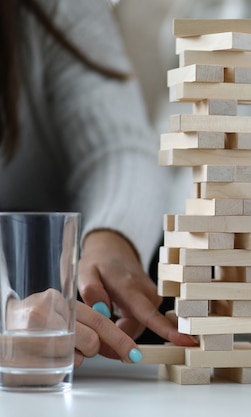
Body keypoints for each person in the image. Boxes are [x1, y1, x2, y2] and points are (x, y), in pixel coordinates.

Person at [0, 0, 196, 366]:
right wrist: (7, 310)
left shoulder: (59, 9)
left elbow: (122, 147)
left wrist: (112, 235)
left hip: (69, 326)